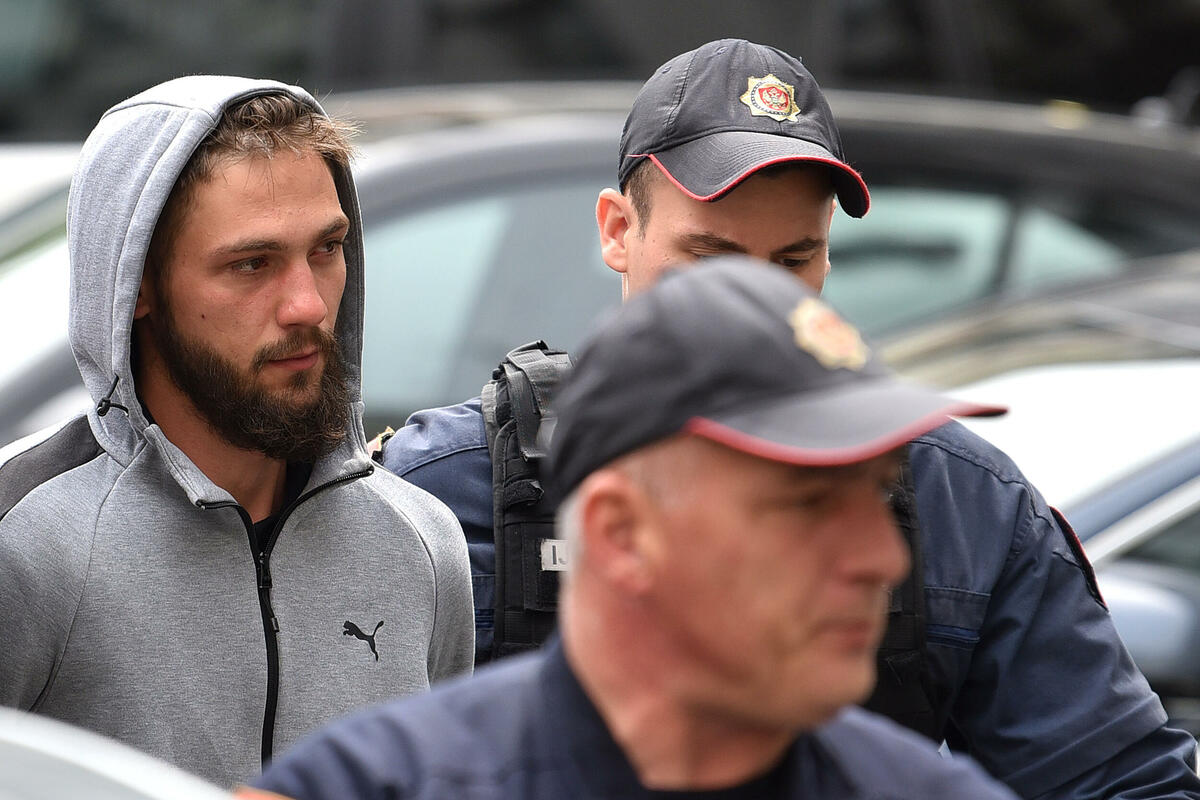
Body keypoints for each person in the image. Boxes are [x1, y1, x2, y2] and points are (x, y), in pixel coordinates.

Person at [378, 39, 1200, 799]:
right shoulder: (439, 495)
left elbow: (1126, 782)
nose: (757, 299)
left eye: (793, 260)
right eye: (712, 257)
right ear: (618, 231)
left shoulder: (965, 501)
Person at [253, 258, 1019, 799]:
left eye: (879, 495)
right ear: (622, 536)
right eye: (809, 504)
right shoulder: (370, 785)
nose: (883, 557)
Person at [0, 76, 474, 787]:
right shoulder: (25, 541)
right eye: (252, 264)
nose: (307, 305)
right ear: (138, 284)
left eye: (327, 248)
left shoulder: (420, 542)